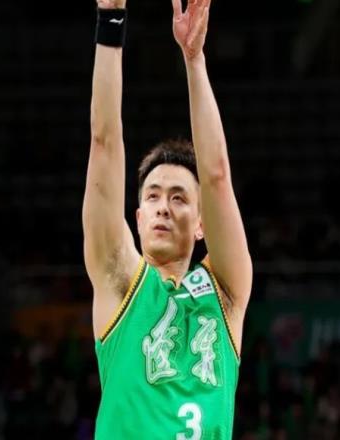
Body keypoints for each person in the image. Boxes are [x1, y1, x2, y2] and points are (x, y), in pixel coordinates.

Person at [82, 0, 253, 438]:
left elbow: (217, 177)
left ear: (201, 223)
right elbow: (104, 142)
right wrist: (111, 18)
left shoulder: (225, 294)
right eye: (153, 196)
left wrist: (194, 61)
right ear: (138, 218)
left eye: (179, 198)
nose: (163, 206)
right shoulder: (120, 282)